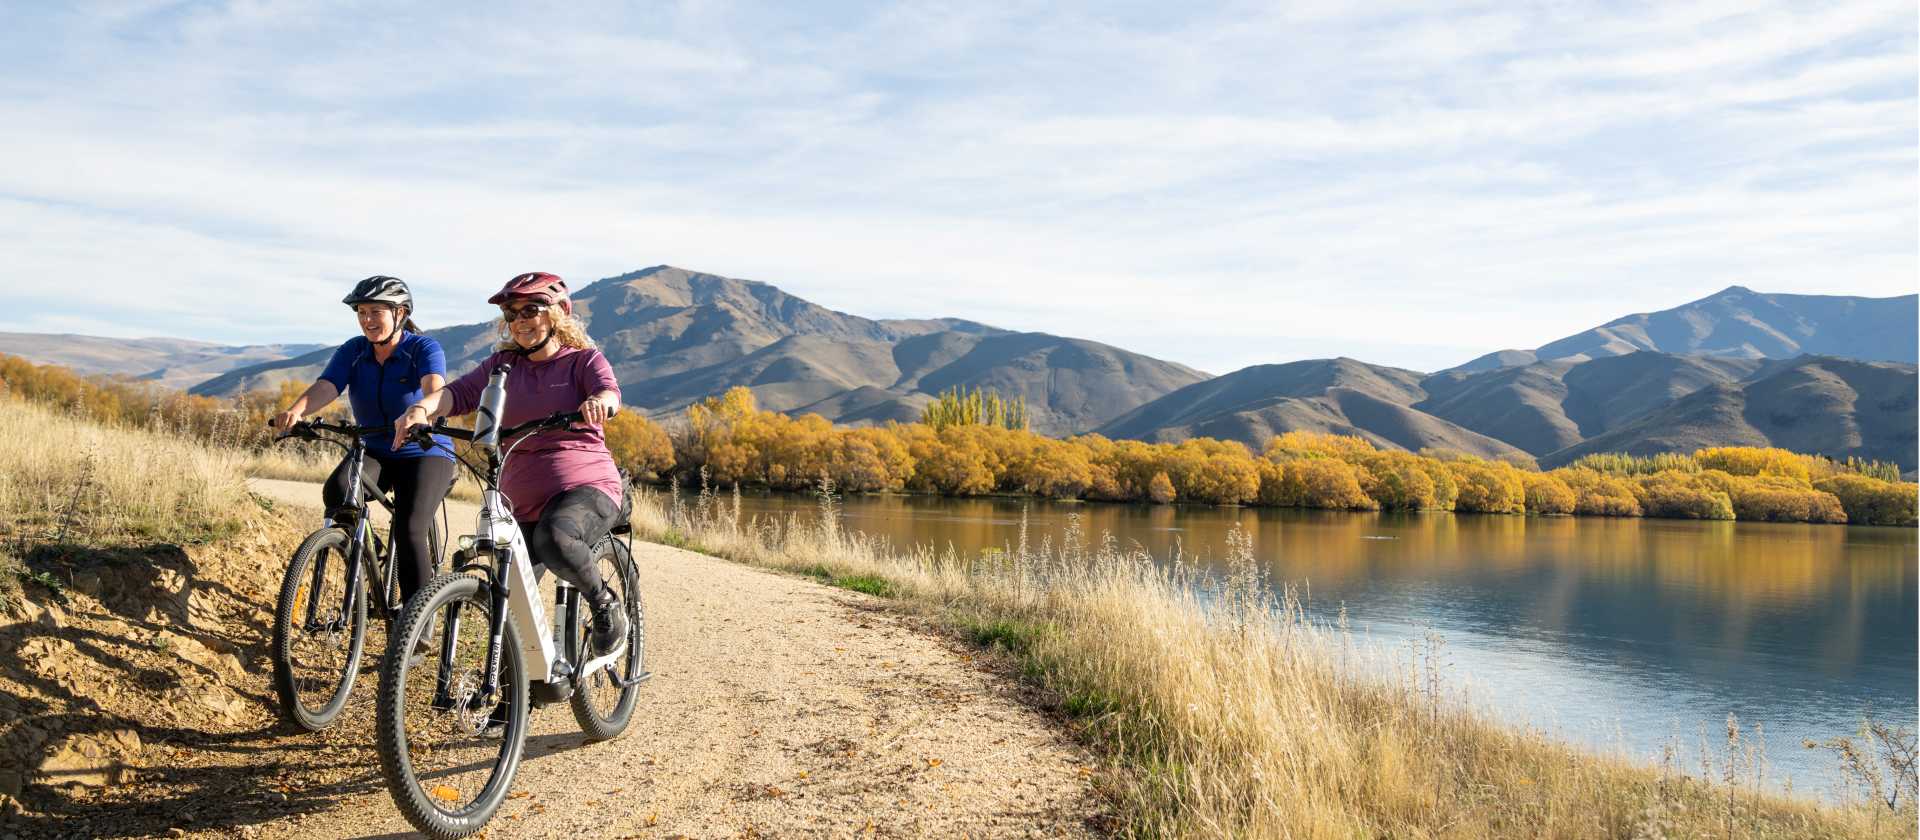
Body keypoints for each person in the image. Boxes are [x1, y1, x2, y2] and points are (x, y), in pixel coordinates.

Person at [392, 271, 628, 655]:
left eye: (531, 310)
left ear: (558, 313)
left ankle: (604, 604)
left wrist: (600, 403)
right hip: (519, 497)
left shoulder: (583, 362)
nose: (520, 321)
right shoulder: (501, 366)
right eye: (512, 313)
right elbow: (456, 394)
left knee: (555, 539)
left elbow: (609, 391)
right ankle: (512, 701)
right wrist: (420, 409)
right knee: (512, 602)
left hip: (585, 487)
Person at [272, 276, 455, 604]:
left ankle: (418, 619)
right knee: (338, 492)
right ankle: (368, 554)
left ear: (400, 313)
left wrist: (424, 415)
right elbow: (328, 385)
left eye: (376, 312)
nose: (367, 320)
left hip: (425, 450)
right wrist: (296, 411)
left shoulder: (422, 348)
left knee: (410, 527)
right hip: (377, 449)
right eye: (362, 312)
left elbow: (434, 387)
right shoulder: (354, 350)